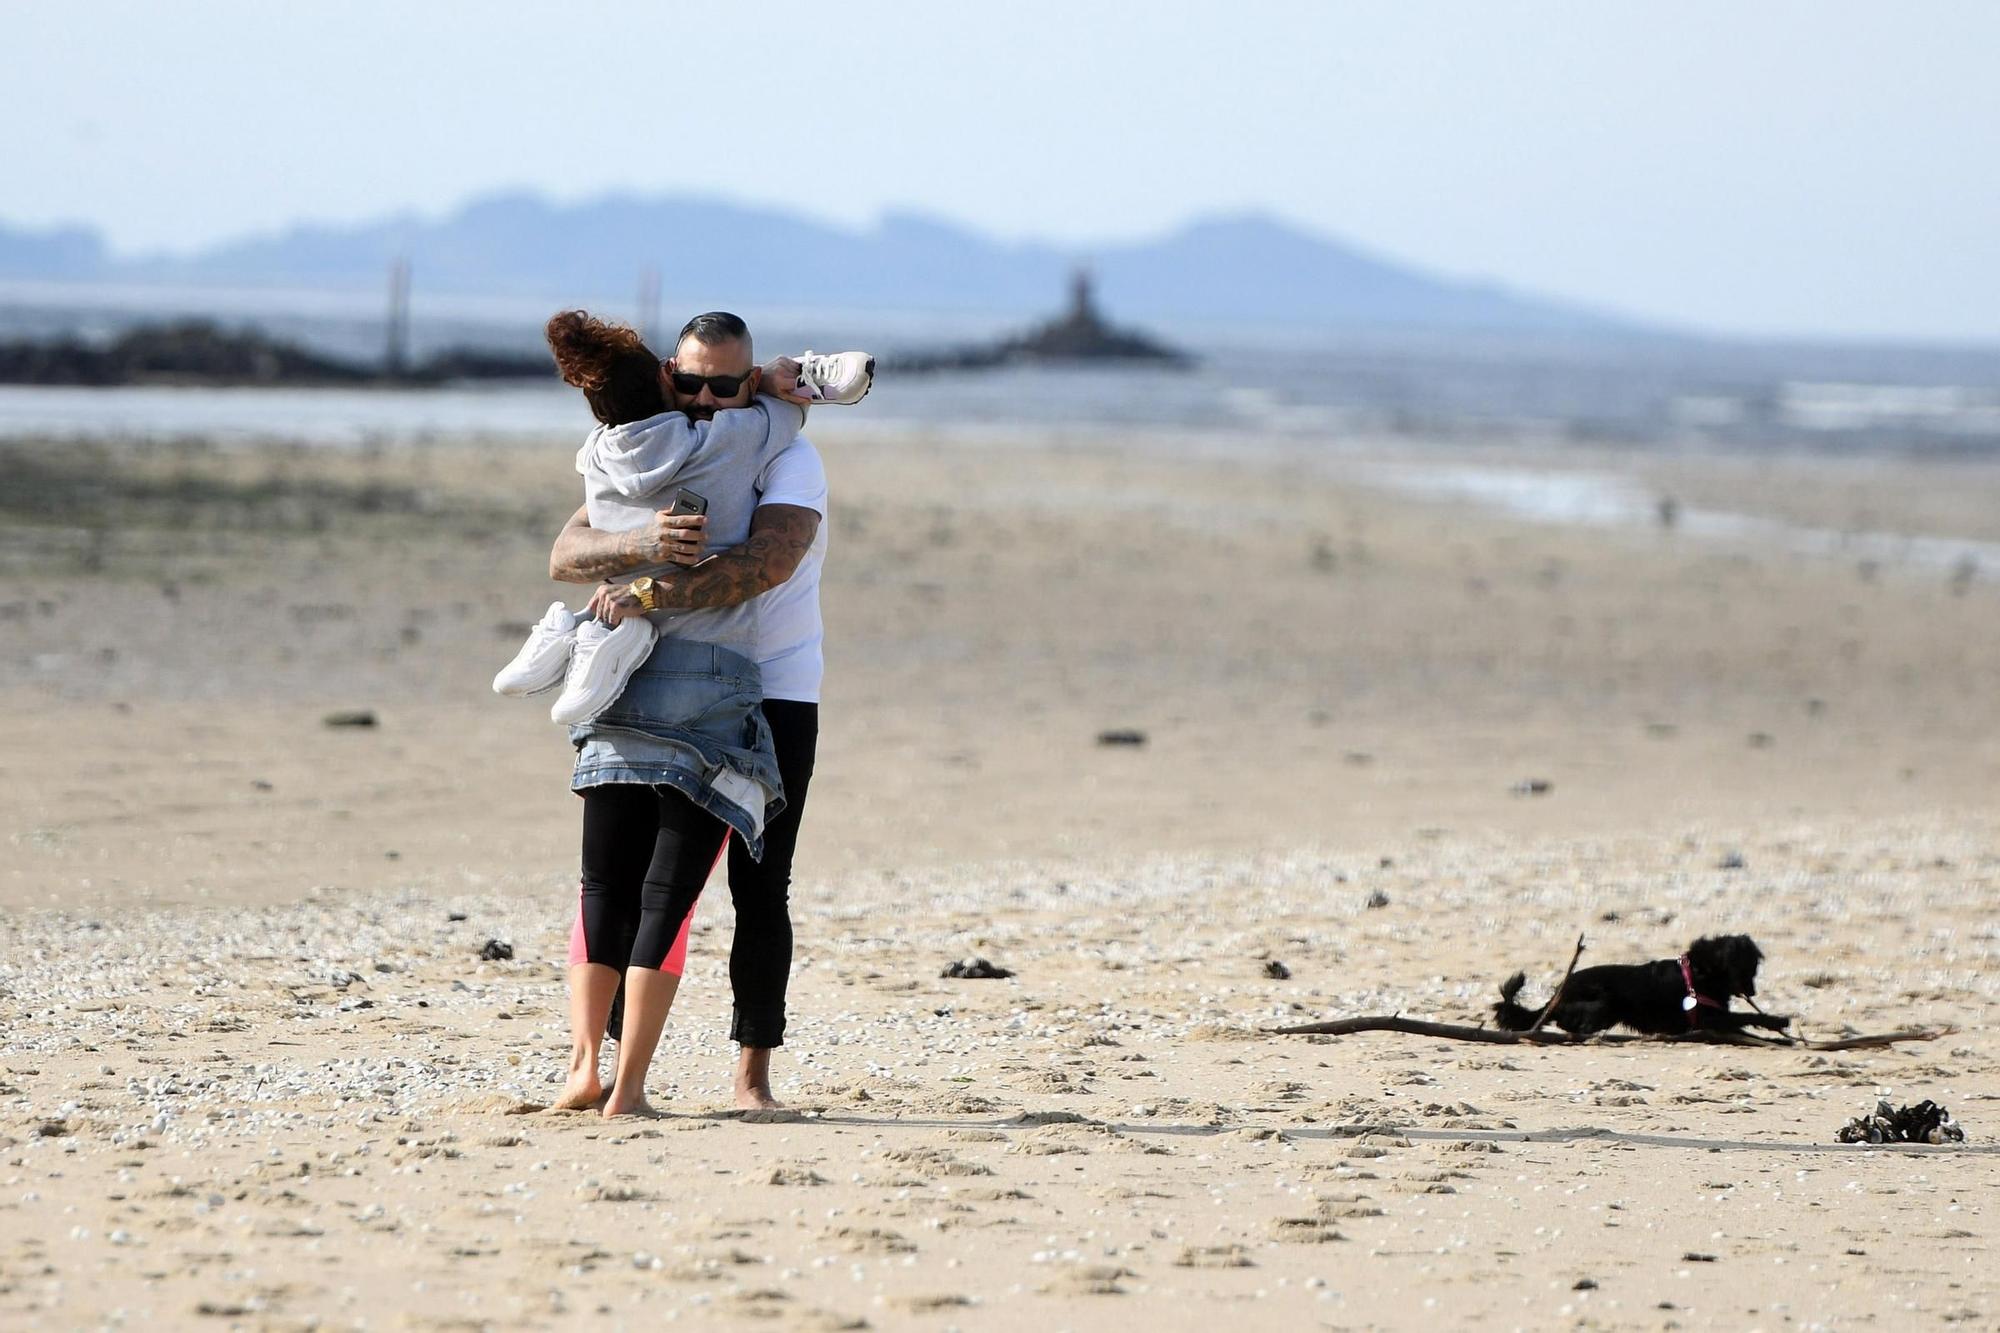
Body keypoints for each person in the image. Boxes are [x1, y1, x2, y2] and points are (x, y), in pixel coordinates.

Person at [549, 311, 839, 1112]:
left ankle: (752, 1078)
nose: (706, 399)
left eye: (725, 385)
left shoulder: (786, 451)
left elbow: (765, 563)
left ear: (752, 384)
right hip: (658, 672)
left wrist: (640, 585)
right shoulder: (661, 441)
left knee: (760, 883)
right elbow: (568, 552)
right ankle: (601, 1069)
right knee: (627, 883)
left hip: (775, 683)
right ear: (665, 378)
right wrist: (644, 538)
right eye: (691, 382)